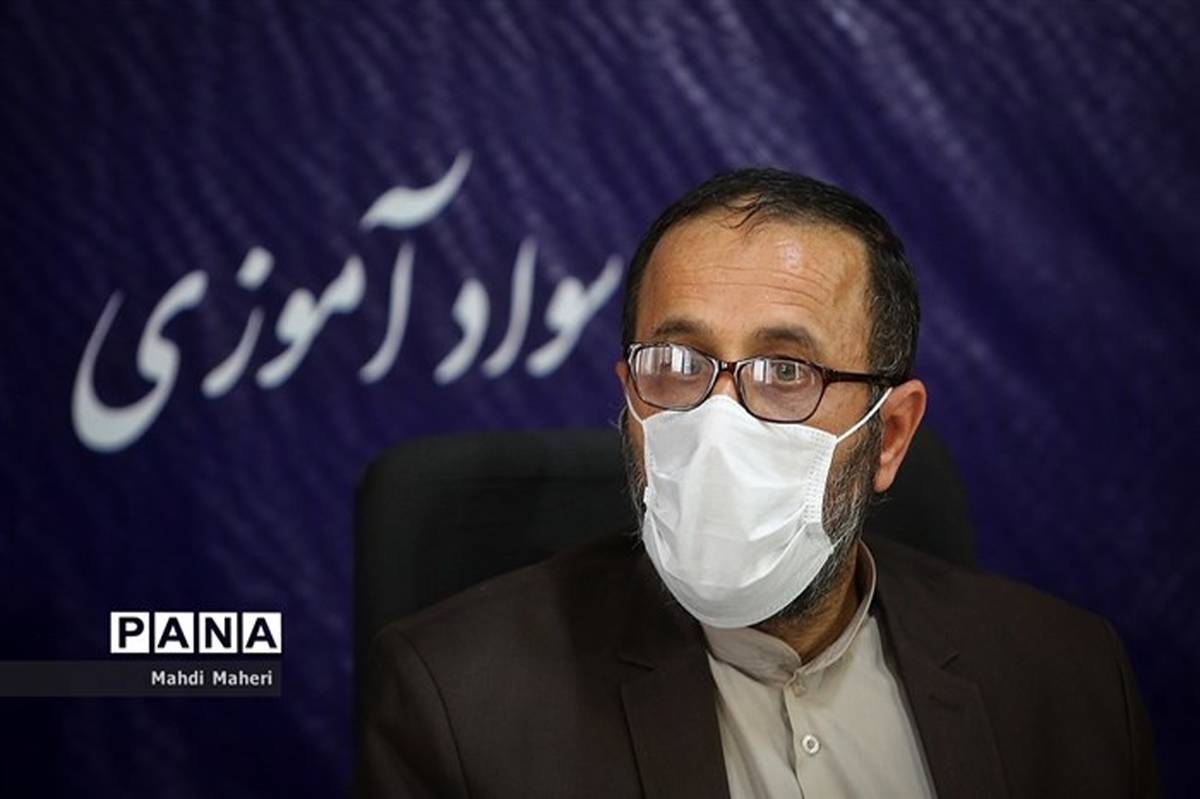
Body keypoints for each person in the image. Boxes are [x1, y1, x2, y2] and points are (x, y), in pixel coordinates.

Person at [358, 169, 1159, 798]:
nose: (718, 423)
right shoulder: (459, 705)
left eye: (786, 371)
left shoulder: (1068, 681)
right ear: (628, 402)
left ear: (890, 434)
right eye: (677, 364)